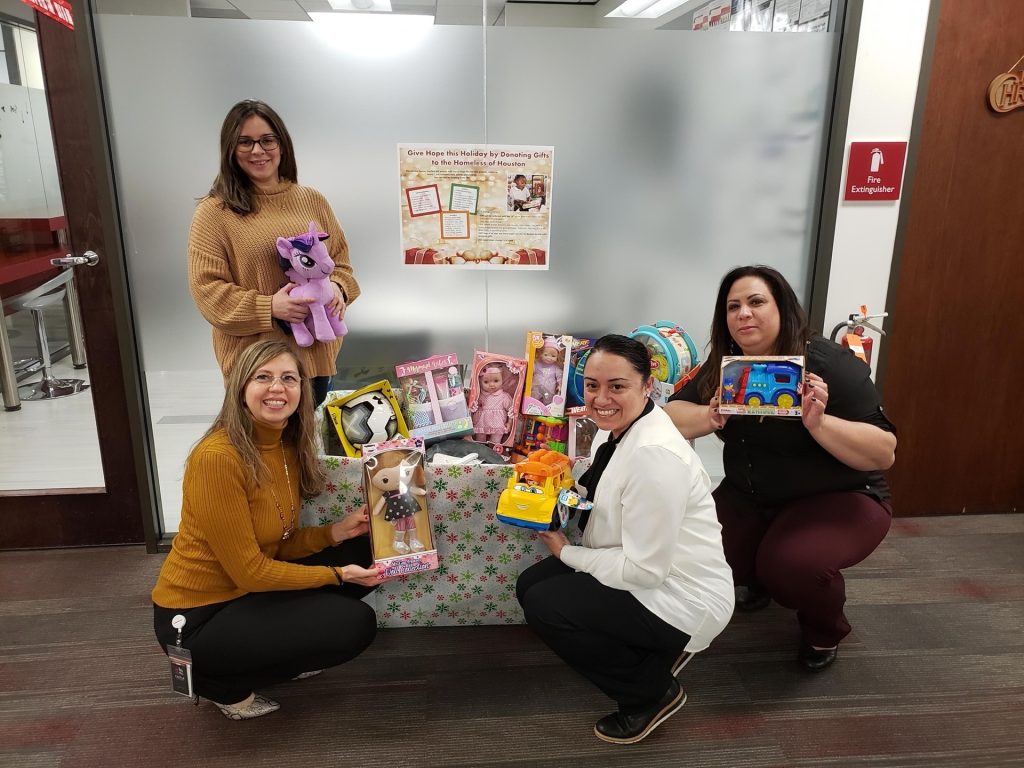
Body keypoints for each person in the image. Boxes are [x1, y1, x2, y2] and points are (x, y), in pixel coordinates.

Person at [664, 265, 897, 671]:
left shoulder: (826, 362)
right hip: (751, 493)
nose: (743, 314)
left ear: (782, 308)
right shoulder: (728, 364)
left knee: (793, 566)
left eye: (756, 302)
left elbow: (883, 453)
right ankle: (757, 576)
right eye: (733, 306)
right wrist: (712, 414)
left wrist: (819, 423)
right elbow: (671, 415)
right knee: (693, 552)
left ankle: (824, 630)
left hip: (838, 496)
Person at [516, 335, 734, 745]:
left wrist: (568, 552)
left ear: (647, 386)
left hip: (683, 594)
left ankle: (649, 694)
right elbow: (603, 495)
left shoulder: (654, 455)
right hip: (640, 565)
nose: (601, 398)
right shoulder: (617, 427)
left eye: (617, 386)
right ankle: (649, 653)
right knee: (531, 586)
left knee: (547, 606)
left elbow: (644, 571)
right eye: (592, 385)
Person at [152, 340, 380, 720]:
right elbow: (251, 571)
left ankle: (278, 649)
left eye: (288, 378)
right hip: (198, 618)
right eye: (263, 377)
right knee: (355, 624)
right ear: (241, 388)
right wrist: (337, 575)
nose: (278, 388)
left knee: (371, 548)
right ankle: (218, 682)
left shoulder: (286, 444)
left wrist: (335, 533)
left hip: (245, 593)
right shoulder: (216, 458)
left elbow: (277, 545)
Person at [188, 99, 360, 406]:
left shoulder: (311, 200)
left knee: (304, 448)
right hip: (257, 366)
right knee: (262, 450)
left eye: (267, 140)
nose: (258, 151)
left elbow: (341, 264)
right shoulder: (214, 212)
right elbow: (208, 293)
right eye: (245, 142)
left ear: (282, 144)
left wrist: (338, 288)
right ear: (230, 148)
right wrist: (269, 307)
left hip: (314, 360)